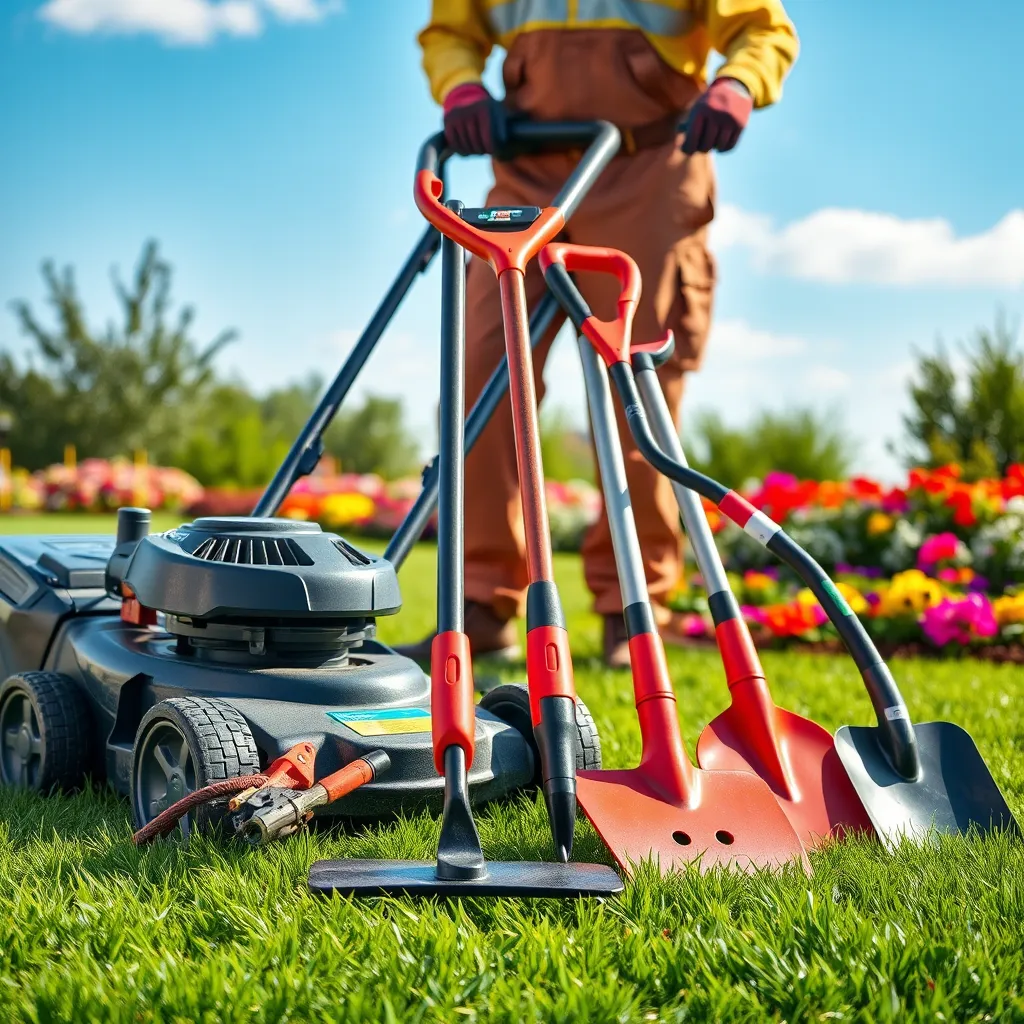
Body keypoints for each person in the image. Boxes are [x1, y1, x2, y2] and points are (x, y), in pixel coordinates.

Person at [398, 0, 798, 669]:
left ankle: (631, 609)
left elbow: (764, 27)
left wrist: (737, 83)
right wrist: (462, 85)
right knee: (479, 375)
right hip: (527, 169)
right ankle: (482, 600)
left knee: (633, 391)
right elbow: (451, 30)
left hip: (650, 165)